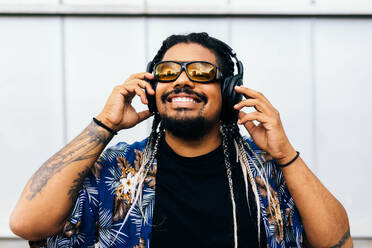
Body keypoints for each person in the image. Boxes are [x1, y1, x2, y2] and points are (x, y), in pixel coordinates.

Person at [10, 32, 352, 248]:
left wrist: (285, 153)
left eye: (202, 72)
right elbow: (27, 223)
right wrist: (105, 124)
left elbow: (338, 243)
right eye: (168, 72)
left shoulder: (267, 172)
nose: (183, 81)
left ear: (230, 91)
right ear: (152, 87)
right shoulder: (118, 170)